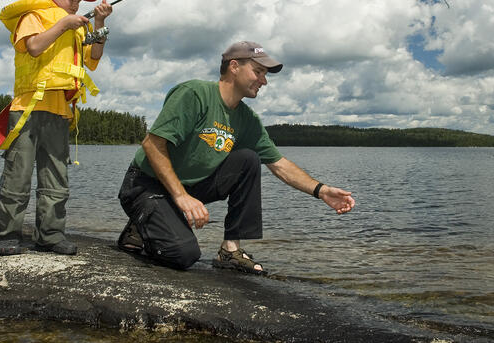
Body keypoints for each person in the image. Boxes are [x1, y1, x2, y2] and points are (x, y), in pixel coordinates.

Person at [117, 41, 355, 273]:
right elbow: (152, 144)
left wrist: (321, 190)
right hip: (145, 184)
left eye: (265, 74)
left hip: (188, 187)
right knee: (184, 254)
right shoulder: (194, 94)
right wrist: (180, 197)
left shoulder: (247, 119)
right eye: (258, 71)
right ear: (234, 67)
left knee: (249, 159)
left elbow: (279, 165)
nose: (264, 80)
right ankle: (140, 226)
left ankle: (230, 251)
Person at [0, 0, 112, 256]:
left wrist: (99, 22)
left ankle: (50, 236)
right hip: (28, 109)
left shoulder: (78, 26)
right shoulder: (33, 16)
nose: (76, 3)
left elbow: (93, 57)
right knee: (17, 176)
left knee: (56, 178)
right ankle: (6, 235)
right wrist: (64, 24)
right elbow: (33, 47)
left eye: (80, 0)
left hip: (61, 112)